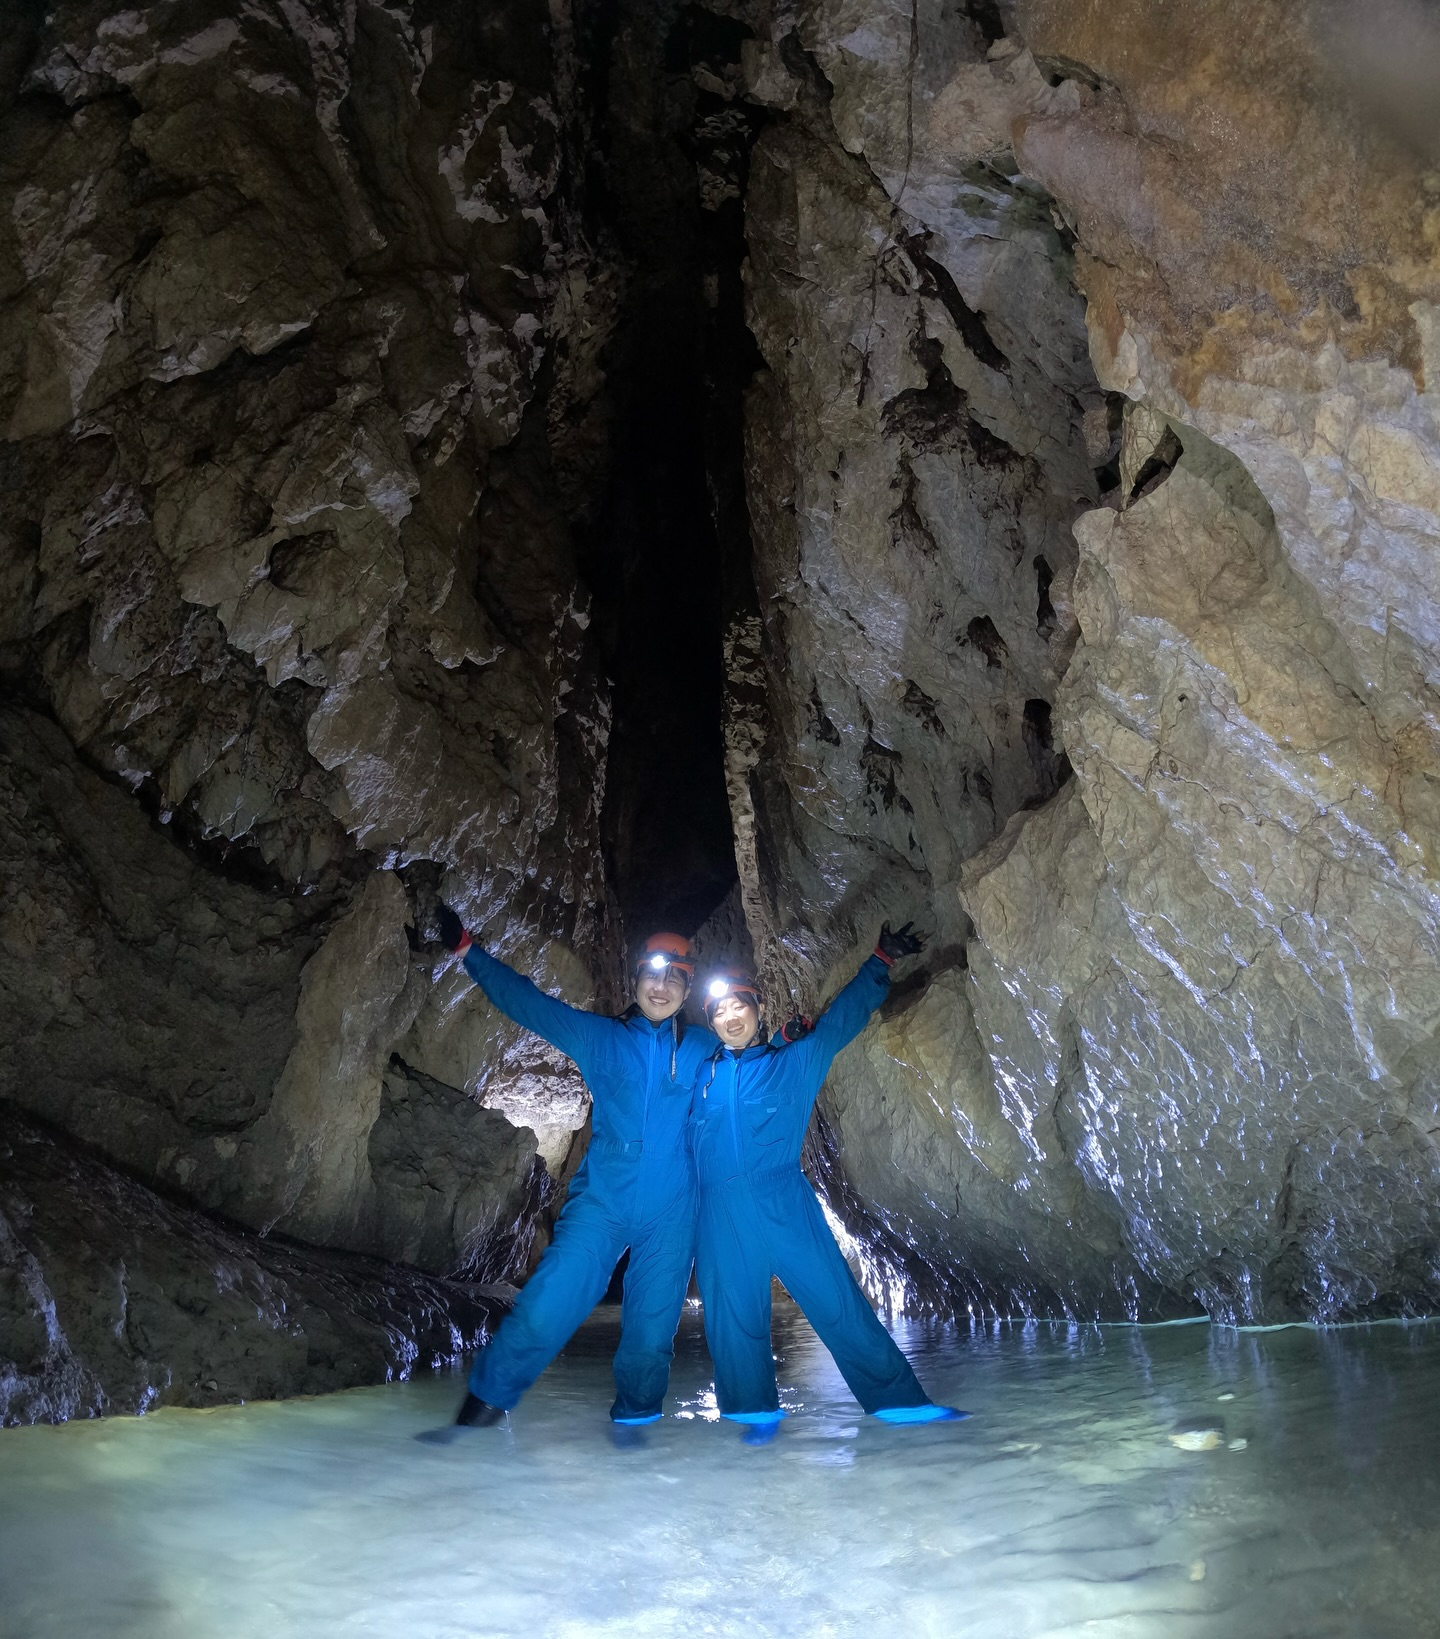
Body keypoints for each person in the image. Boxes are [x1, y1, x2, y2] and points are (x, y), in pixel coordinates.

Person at [433, 910, 718, 1427]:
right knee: (549, 1301)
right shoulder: (600, 1038)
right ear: (635, 978)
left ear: (687, 990)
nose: (661, 987)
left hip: (672, 1214)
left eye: (674, 979)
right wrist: (466, 950)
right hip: (603, 1202)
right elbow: (529, 1004)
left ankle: (634, 1433)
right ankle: (478, 1417)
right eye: (653, 975)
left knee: (651, 1336)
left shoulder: (702, 1048)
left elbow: (755, 1062)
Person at [690, 923, 965, 1428]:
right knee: (733, 1328)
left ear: (756, 1009)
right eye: (720, 1011)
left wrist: (879, 961)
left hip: (785, 1204)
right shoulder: (698, 1075)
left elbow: (840, 1022)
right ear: (711, 1020)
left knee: (839, 1306)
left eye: (739, 1007)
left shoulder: (793, 1064)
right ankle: (752, 1421)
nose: (730, 1017)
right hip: (718, 1216)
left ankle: (901, 1405)